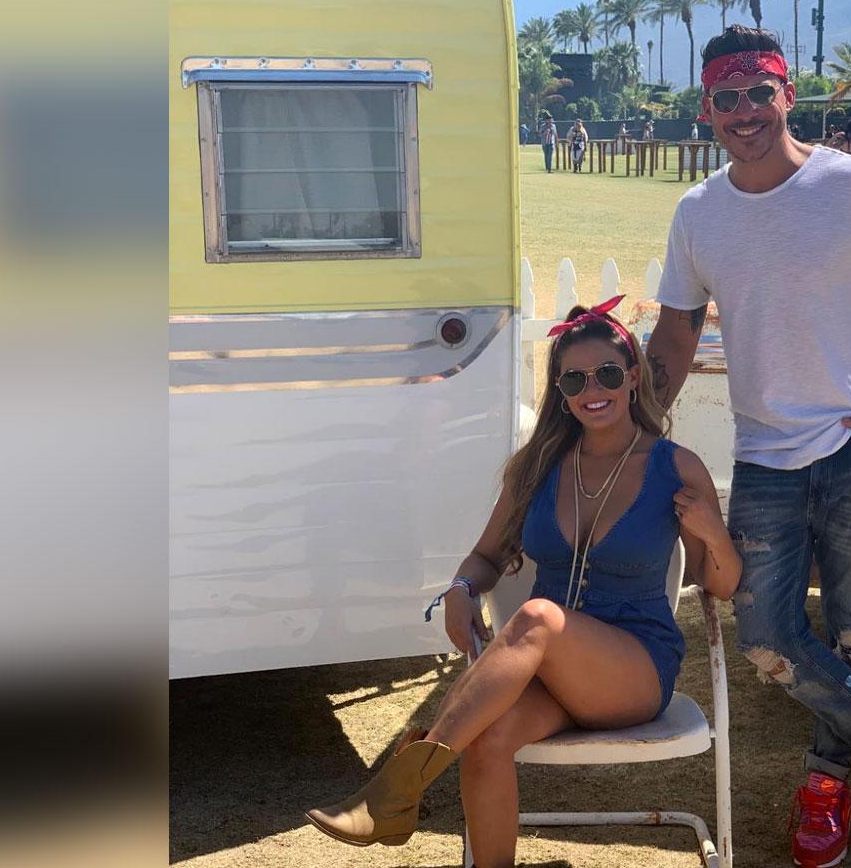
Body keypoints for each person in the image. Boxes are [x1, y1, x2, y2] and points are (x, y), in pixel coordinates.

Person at [645, 25, 851, 868]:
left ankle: (825, 786)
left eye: (759, 92)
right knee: (769, 639)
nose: (744, 111)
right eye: (726, 97)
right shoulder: (699, 212)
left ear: (788, 94)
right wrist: (639, 424)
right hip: (765, 456)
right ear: (706, 108)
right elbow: (675, 332)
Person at [304, 297, 741, 868]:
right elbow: (486, 556)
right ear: (560, 390)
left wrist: (715, 533)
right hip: (548, 675)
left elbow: (723, 585)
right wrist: (461, 589)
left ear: (632, 377)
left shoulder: (675, 467)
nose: (594, 388)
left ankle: (396, 791)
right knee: (487, 737)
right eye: (575, 379)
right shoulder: (539, 467)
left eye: (608, 373)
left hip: (633, 670)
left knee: (536, 616)